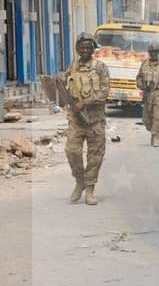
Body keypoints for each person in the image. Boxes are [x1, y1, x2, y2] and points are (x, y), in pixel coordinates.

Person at [64, 33, 110, 205]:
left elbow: (104, 92)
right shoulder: (72, 67)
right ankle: (79, 181)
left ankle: (90, 189)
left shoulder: (100, 67)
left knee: (95, 156)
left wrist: (85, 102)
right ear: (77, 49)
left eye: (88, 47)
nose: (85, 50)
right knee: (72, 151)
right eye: (82, 47)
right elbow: (66, 89)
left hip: (95, 119)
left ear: (93, 49)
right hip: (76, 120)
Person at [136, 41, 159, 147]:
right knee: (147, 118)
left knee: (157, 116)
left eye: (155, 52)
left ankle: (155, 136)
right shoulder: (144, 63)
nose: (153, 54)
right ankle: (151, 130)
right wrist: (141, 85)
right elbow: (139, 77)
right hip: (147, 93)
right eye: (151, 52)